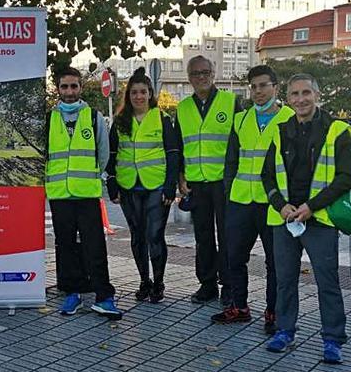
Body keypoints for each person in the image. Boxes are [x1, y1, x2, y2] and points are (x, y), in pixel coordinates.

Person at [261, 73, 351, 364]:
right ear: (287, 99)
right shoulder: (280, 130)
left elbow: (346, 177)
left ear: (317, 94)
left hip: (320, 218)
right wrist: (281, 205)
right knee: (285, 280)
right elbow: (266, 175)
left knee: (327, 282)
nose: (300, 99)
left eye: (306, 93)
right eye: (294, 95)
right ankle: (285, 331)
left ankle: (333, 339)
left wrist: (312, 206)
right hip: (286, 219)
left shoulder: (337, 130)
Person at [214, 65, 293, 332]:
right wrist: (229, 192)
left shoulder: (290, 119)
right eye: (254, 87)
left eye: (263, 85)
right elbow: (231, 161)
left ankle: (273, 311)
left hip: (273, 205)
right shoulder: (241, 119)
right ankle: (240, 306)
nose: (258, 91)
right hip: (240, 200)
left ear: (275, 87)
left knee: (275, 261)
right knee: (234, 257)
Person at [47, 67, 121, 319]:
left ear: (80, 88)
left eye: (74, 86)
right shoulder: (49, 119)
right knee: (66, 246)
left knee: (95, 246)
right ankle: (72, 294)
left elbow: (103, 153)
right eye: (64, 86)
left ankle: (104, 296)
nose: (69, 92)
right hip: (59, 195)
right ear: (57, 88)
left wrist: (91, 176)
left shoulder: (93, 117)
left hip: (87, 193)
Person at [105, 68, 180, 303]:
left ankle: (158, 283)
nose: (138, 96)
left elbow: (173, 153)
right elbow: (111, 153)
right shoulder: (120, 121)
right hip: (129, 186)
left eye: (143, 92)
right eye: (134, 92)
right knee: (137, 237)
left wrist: (170, 185)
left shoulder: (162, 118)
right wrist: (112, 182)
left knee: (154, 236)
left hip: (156, 186)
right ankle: (144, 281)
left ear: (150, 94)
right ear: (129, 96)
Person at [174, 55, 241, 306]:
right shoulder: (182, 108)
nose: (201, 77)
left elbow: (239, 142)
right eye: (195, 73)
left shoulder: (231, 101)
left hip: (224, 182)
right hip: (196, 183)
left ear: (213, 73)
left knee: (227, 235)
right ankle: (207, 284)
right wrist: (181, 177)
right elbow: (179, 146)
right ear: (189, 78)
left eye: (205, 72)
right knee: (202, 236)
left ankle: (229, 285)